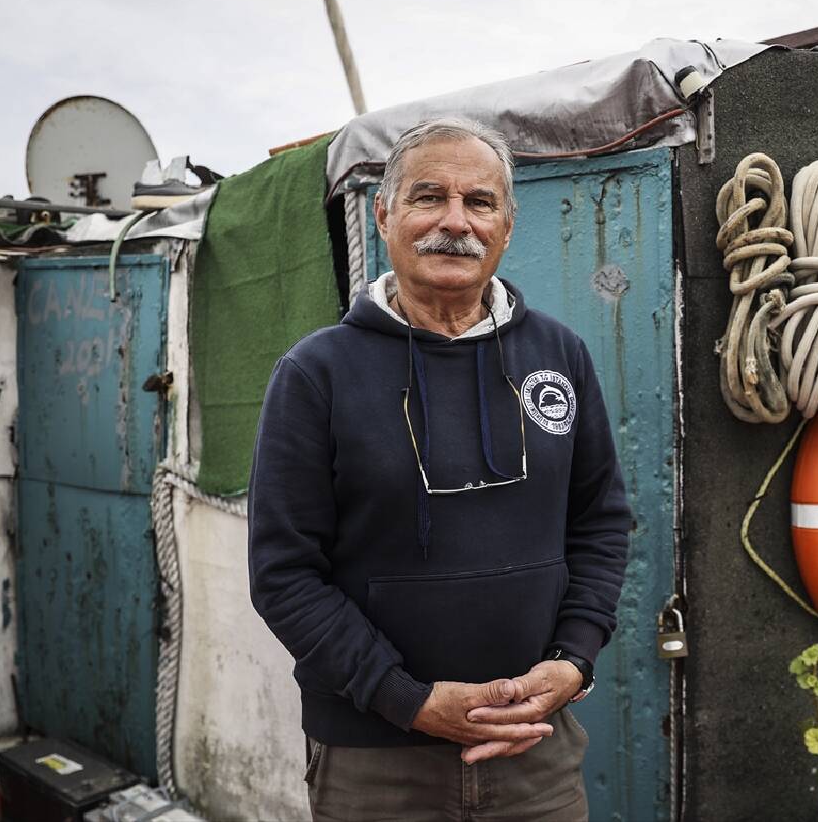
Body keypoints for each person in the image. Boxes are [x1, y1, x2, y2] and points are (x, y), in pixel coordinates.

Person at [248, 117, 631, 821]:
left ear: (507, 228)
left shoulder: (560, 355)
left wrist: (574, 659)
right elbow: (284, 573)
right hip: (375, 760)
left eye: (479, 202)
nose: (456, 222)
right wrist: (409, 700)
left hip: (533, 749)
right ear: (385, 213)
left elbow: (601, 522)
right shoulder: (315, 373)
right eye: (430, 197)